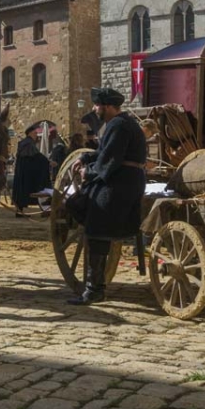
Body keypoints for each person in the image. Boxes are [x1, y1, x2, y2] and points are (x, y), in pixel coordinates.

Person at [66, 87, 148, 306]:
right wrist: (85, 158)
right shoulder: (124, 124)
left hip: (119, 185)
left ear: (108, 107)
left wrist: (88, 172)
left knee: (95, 226)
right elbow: (106, 153)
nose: (95, 109)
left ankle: (94, 290)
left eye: (97, 105)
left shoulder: (118, 125)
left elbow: (110, 159)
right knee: (88, 208)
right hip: (127, 180)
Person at [11, 123, 51, 217]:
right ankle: (20, 212)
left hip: (24, 172)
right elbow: (36, 157)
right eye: (35, 133)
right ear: (30, 133)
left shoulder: (26, 143)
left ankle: (19, 211)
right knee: (30, 188)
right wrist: (47, 162)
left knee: (22, 191)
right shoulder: (28, 143)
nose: (36, 135)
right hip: (26, 174)